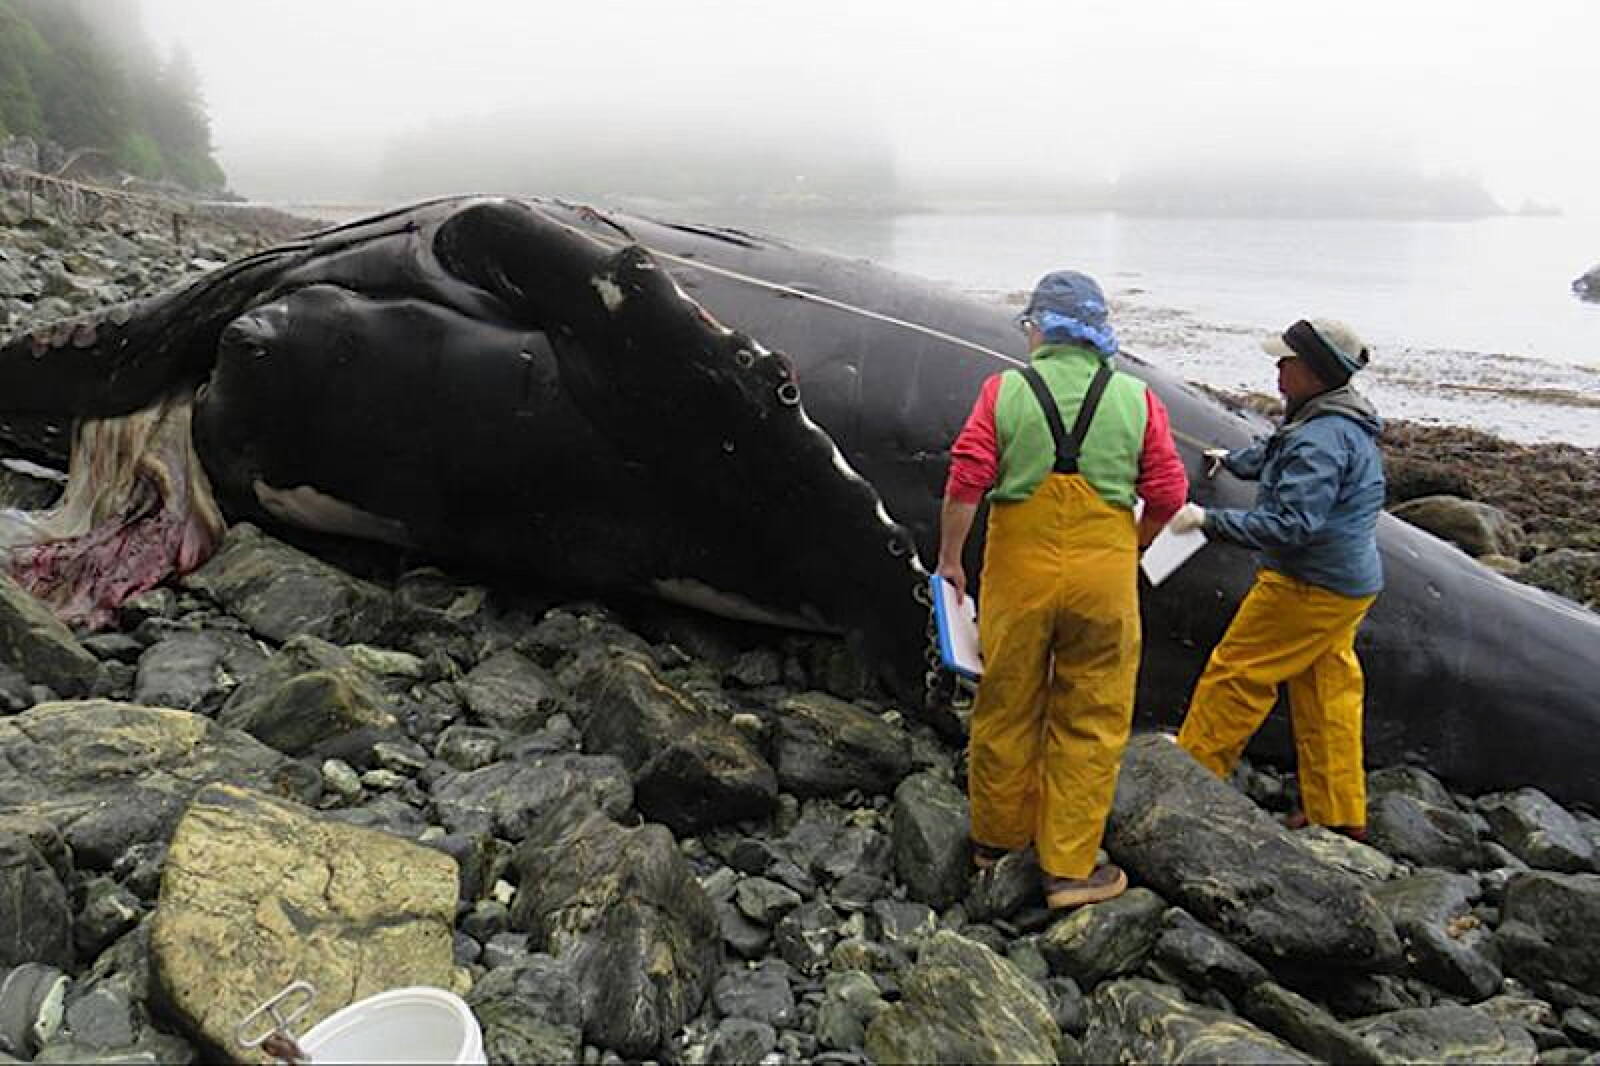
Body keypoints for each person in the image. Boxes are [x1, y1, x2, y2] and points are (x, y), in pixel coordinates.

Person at [937, 270, 1188, 909]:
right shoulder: (1137, 397)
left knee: (1006, 702)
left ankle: (995, 842)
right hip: (1103, 576)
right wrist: (1132, 546)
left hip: (1019, 572)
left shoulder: (1004, 390)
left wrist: (951, 561)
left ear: (1041, 327)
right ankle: (1071, 871)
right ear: (1098, 329)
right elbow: (1168, 495)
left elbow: (967, 479)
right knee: (1093, 716)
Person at [1167, 317, 1385, 839]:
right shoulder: (1335, 417)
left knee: (1238, 673)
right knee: (1326, 690)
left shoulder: (1320, 439)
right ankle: (1338, 813)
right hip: (1349, 584)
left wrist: (1208, 520)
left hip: (1307, 584)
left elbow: (1291, 526)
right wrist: (1234, 462)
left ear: (1314, 370)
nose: (1277, 368)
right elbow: (1277, 452)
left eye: (1286, 361)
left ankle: (1188, 780)